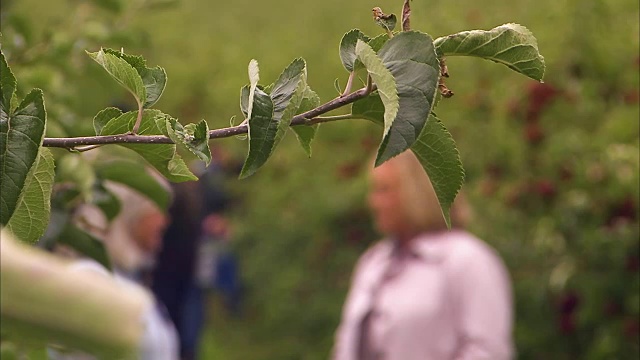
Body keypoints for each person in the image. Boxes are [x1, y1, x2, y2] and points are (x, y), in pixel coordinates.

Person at [332, 151, 514, 360]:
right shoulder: (373, 262)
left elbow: (487, 351)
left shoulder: (468, 260)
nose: (373, 202)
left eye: (384, 190)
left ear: (416, 191)